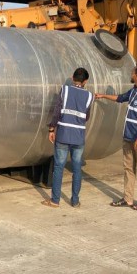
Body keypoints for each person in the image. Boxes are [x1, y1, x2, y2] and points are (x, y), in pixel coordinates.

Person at [95, 62, 137, 211]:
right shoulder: (134, 90)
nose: (131, 73)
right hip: (129, 136)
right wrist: (102, 95)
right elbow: (120, 98)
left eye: (133, 71)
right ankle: (128, 198)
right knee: (128, 168)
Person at [41, 67, 94, 208]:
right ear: (85, 81)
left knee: (59, 167)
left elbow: (57, 112)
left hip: (63, 134)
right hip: (78, 137)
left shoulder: (65, 90)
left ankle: (55, 200)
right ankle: (75, 201)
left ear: (72, 78)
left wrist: (52, 128)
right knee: (77, 169)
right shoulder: (89, 96)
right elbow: (86, 117)